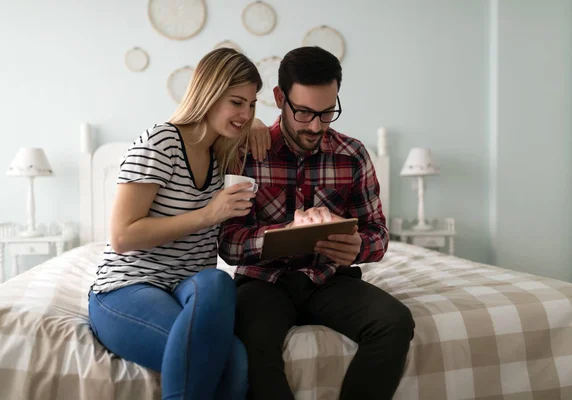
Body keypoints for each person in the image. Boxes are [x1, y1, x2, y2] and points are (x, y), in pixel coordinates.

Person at [218, 46, 416, 400]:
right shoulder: (244, 153)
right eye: (305, 112)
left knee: (395, 322)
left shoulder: (352, 155)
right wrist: (285, 234)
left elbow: (379, 234)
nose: (316, 126)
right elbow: (229, 244)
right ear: (280, 98)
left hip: (329, 280)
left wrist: (360, 247)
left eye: (327, 113)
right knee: (251, 342)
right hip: (263, 284)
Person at [87, 48, 271, 400]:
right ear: (209, 93)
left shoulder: (224, 152)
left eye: (251, 105)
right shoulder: (160, 142)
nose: (245, 114)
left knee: (218, 281)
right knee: (232, 360)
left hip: (186, 285)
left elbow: (265, 132)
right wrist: (208, 214)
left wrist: (258, 124)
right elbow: (123, 236)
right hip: (127, 285)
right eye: (237, 102)